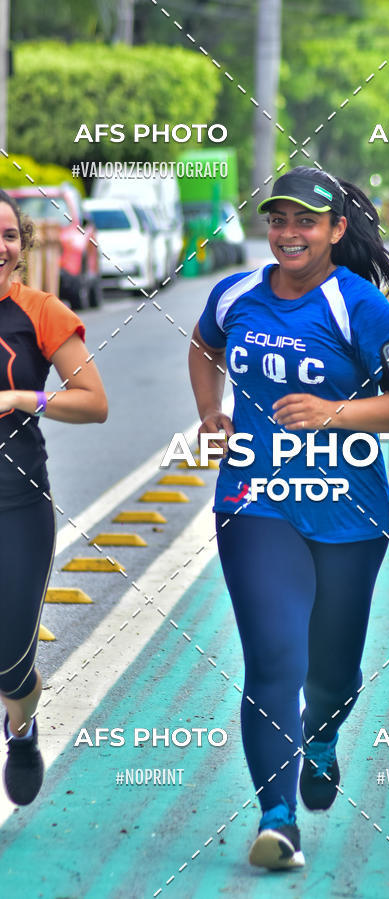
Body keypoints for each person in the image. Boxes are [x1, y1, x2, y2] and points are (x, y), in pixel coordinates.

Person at [188, 166, 389, 870]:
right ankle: (277, 816)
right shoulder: (234, 293)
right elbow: (204, 346)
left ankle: (320, 735)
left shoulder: (365, 310)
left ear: (334, 231)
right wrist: (210, 411)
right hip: (252, 503)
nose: (288, 233)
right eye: (278, 220)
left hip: (348, 513)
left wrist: (334, 413)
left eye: (305, 221)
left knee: (331, 671)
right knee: (274, 658)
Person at [0, 189, 108, 805]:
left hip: (17, 506)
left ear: (22, 244)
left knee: (11, 663)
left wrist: (23, 400)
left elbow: (94, 402)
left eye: (10, 234)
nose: (0, 246)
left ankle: (21, 726)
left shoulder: (41, 313)